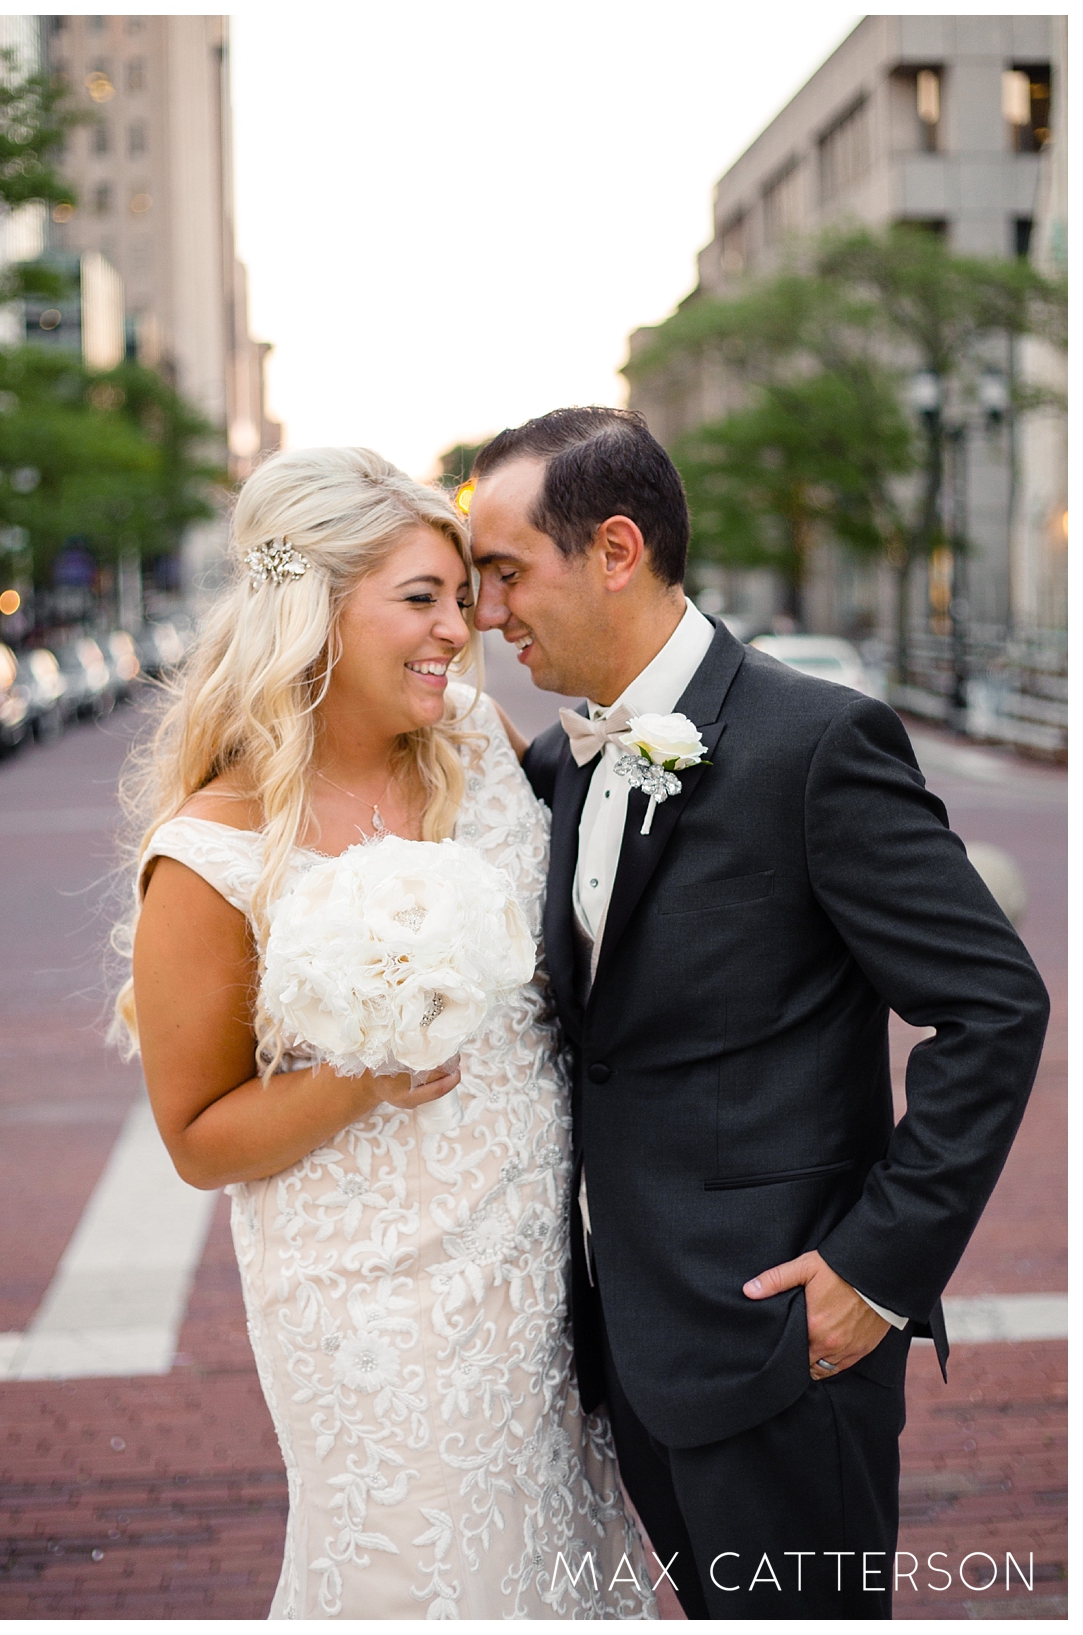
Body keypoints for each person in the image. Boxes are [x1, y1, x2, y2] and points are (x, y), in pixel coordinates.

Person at [469, 406, 1048, 1618]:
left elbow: (992, 1006)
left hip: (791, 1347)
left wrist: (873, 1272)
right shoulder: (555, 766)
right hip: (629, 1347)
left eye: (506, 572)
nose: (488, 612)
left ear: (615, 550)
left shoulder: (817, 744)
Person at [122, 445, 653, 1618]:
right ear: (308, 611)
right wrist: (365, 1077)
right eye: (419, 599)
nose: (456, 631)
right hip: (366, 1304)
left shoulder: (482, 747)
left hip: (542, 1278)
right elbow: (199, 1137)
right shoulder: (213, 852)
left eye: (461, 600)